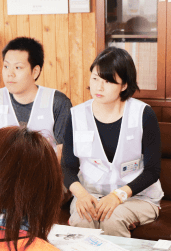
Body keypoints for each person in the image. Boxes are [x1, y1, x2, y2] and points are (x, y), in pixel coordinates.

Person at [62, 47, 163, 237]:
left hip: (136, 197)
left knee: (111, 219)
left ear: (124, 85)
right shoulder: (76, 115)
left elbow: (152, 170)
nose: (98, 87)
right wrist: (81, 195)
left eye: (108, 81)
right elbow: (67, 167)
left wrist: (119, 196)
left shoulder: (143, 115)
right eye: (95, 79)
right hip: (90, 194)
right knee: (81, 220)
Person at [0, 36, 72, 189]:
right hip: (2, 178)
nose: (9, 74)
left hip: (44, 178)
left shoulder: (57, 102)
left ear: (35, 71)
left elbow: (62, 156)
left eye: (18, 68)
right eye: (6, 66)